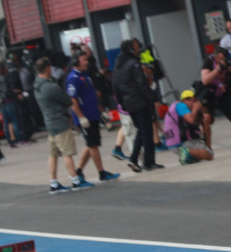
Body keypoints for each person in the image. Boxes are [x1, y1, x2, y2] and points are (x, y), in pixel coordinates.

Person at [33, 57, 95, 194]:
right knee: (67, 153)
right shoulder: (51, 87)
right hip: (60, 123)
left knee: (53, 154)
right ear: (48, 68)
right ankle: (75, 180)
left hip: (49, 123)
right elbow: (67, 100)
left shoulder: (36, 86)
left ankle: (53, 182)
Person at [66, 51, 120, 182]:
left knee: (91, 143)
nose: (87, 62)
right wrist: (81, 117)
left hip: (92, 115)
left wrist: (101, 111)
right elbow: (72, 100)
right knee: (93, 145)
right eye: (84, 60)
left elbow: (91, 96)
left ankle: (79, 170)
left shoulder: (85, 76)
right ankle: (101, 172)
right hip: (86, 117)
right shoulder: (73, 78)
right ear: (76, 62)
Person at [113, 39, 161, 171]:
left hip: (128, 104)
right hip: (140, 101)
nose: (138, 49)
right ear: (130, 50)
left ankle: (133, 159)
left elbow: (115, 87)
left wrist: (122, 103)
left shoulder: (118, 66)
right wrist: (153, 98)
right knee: (147, 132)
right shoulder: (134, 64)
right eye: (136, 48)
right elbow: (142, 84)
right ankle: (148, 162)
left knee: (141, 130)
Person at [164, 89, 213, 164]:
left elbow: (205, 126)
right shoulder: (181, 105)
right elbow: (191, 120)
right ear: (185, 100)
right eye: (193, 101)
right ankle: (185, 153)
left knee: (205, 154)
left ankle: (188, 156)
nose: (195, 103)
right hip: (181, 143)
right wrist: (196, 108)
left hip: (175, 144)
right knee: (209, 155)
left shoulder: (178, 107)